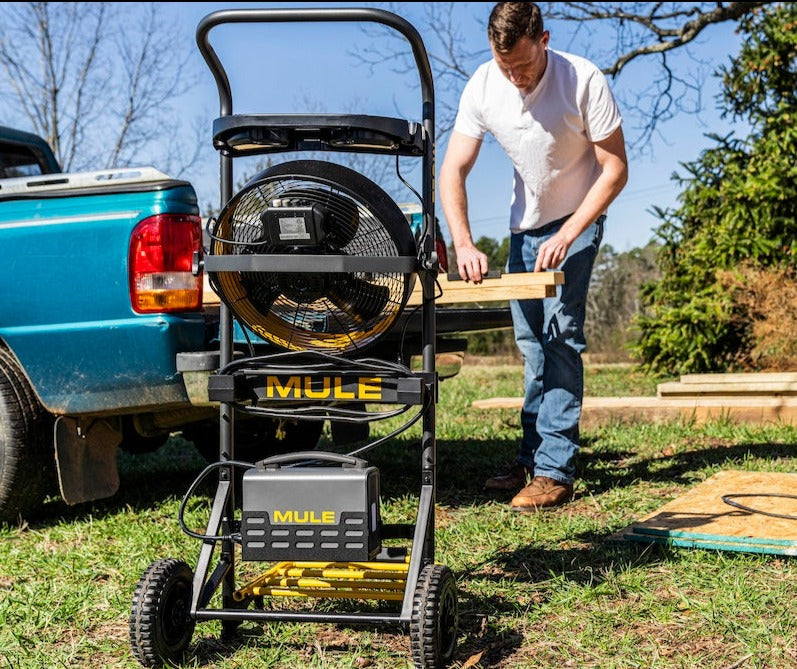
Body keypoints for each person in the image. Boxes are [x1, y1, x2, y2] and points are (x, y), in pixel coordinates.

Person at [439, 2, 628, 510]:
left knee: (560, 335)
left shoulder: (582, 80)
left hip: (577, 222)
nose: (516, 79)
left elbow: (615, 169)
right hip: (523, 228)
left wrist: (569, 231)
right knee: (531, 344)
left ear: (544, 39)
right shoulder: (483, 83)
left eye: (523, 66)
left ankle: (555, 470)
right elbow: (452, 170)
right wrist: (462, 242)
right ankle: (531, 457)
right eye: (506, 68)